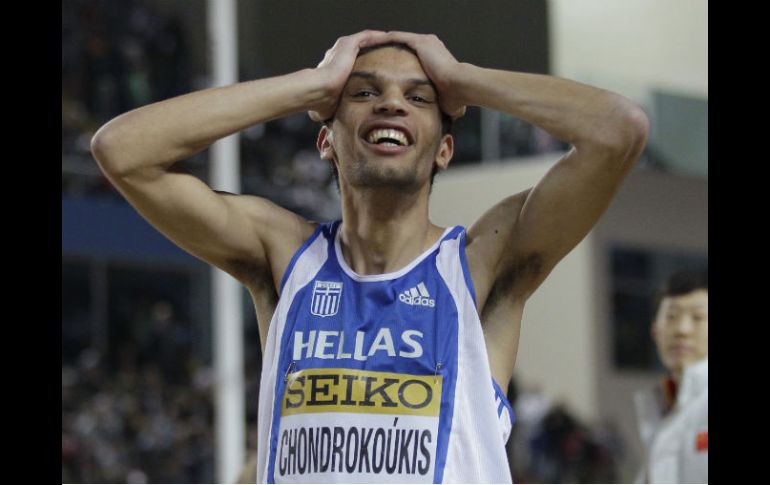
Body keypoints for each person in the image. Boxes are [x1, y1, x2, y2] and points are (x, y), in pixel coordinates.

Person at [91, 30, 648, 483]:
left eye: (418, 97)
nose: (390, 103)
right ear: (325, 140)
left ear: (445, 149)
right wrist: (312, 86)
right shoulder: (285, 255)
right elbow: (122, 151)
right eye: (362, 92)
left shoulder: (481, 263)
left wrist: (463, 80)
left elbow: (618, 130)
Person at [633, 270, 708, 483]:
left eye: (698, 317)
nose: (682, 330)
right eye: (671, 317)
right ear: (655, 331)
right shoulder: (660, 416)